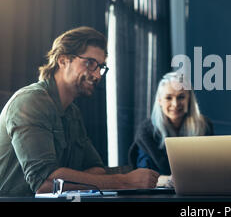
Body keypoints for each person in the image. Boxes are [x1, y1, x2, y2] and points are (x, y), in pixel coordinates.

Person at [0, 27, 159, 196]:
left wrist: (65, 178)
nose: (97, 75)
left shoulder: (72, 112)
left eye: (101, 67)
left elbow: (96, 169)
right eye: (90, 63)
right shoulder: (30, 102)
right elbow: (44, 183)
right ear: (62, 60)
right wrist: (124, 181)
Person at [128, 72, 214, 187]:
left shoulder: (204, 125)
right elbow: (143, 176)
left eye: (181, 97)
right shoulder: (147, 131)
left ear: (189, 99)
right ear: (159, 100)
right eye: (168, 98)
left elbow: (212, 166)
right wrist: (169, 180)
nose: (175, 104)